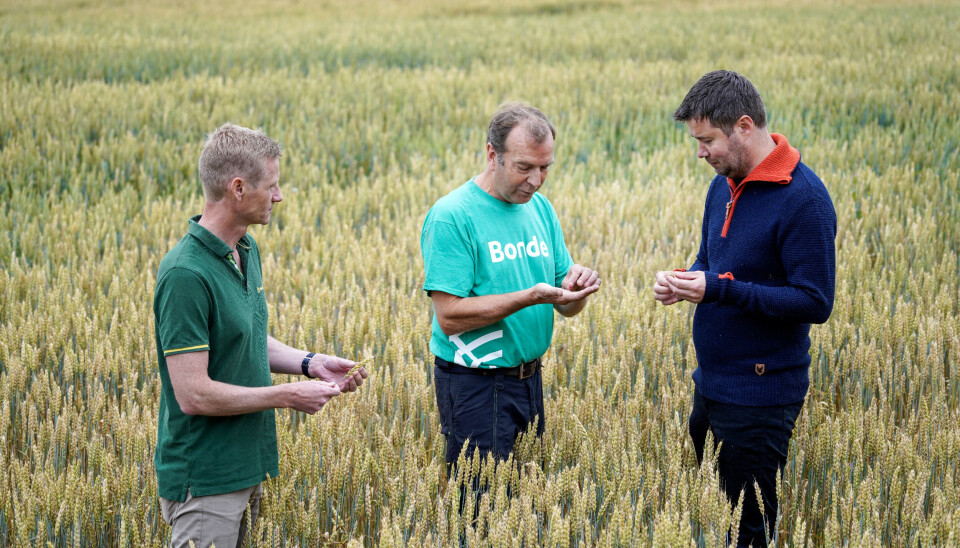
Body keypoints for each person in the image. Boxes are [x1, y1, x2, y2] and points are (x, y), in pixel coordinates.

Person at [153, 123, 368, 548]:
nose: (279, 196)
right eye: (271, 186)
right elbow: (193, 394)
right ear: (237, 188)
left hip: (248, 467)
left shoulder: (244, 250)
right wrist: (285, 396)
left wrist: (310, 364)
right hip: (207, 480)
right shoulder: (185, 274)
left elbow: (245, 337)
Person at [654, 70, 836, 547]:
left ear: (744, 126)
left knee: (748, 531)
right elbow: (713, 262)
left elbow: (815, 302)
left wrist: (719, 289)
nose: (700, 152)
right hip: (712, 385)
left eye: (707, 139)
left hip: (761, 396)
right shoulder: (724, 183)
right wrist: (686, 280)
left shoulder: (804, 199)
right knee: (708, 511)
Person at [421, 102, 601, 470]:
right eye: (524, 167)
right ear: (493, 155)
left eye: (545, 167)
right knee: (479, 510)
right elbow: (449, 317)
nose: (535, 180)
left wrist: (576, 292)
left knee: (523, 508)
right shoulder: (453, 216)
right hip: (475, 386)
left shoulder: (540, 209)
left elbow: (563, 302)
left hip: (528, 380)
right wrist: (529, 297)